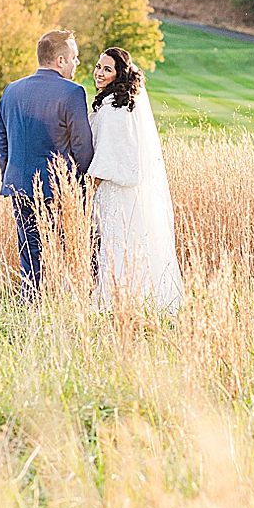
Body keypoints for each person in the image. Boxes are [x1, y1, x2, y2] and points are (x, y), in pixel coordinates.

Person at [0, 29, 94, 300]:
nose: (77, 63)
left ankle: (31, 305)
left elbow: (2, 143)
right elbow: (82, 147)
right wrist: (80, 184)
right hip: (60, 189)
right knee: (73, 249)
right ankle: (75, 303)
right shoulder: (73, 92)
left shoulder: (11, 90)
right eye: (74, 58)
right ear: (60, 61)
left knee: (29, 251)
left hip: (19, 186)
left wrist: (13, 177)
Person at [87, 47, 183, 312]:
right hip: (117, 190)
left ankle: (118, 302)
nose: (99, 73)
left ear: (119, 73)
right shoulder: (116, 103)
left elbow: (110, 156)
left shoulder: (115, 108)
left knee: (119, 244)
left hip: (116, 190)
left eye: (107, 69)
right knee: (121, 243)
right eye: (98, 66)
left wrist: (88, 187)